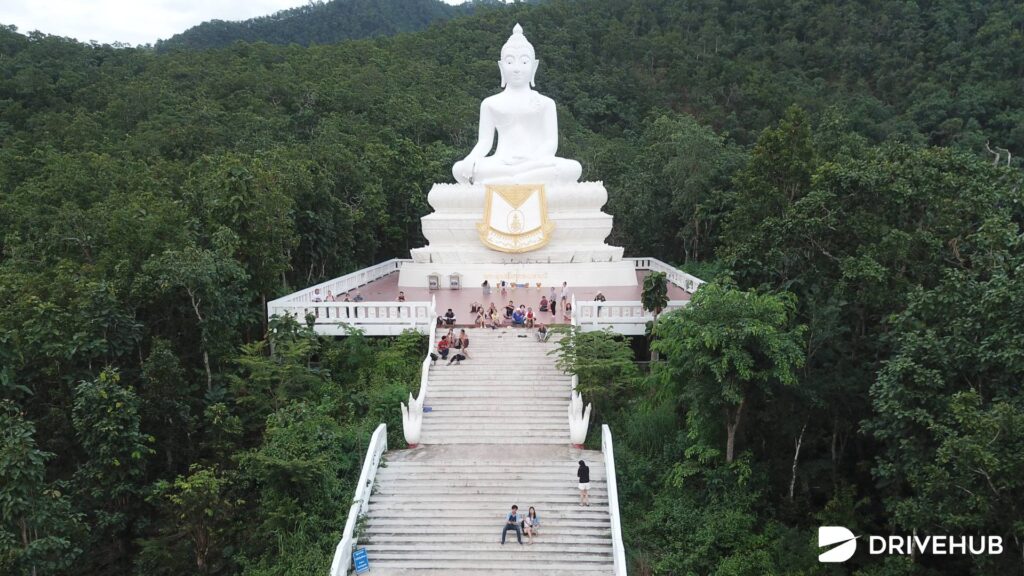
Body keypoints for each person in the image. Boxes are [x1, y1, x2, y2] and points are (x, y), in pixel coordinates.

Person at [452, 24, 582, 186]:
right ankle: (518, 179)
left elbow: (551, 143)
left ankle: (508, 181)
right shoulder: (490, 103)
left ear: (534, 66)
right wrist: (471, 159)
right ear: (501, 67)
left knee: (573, 168)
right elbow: (484, 143)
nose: (517, 69)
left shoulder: (546, 103)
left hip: (534, 162)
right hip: (500, 163)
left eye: (524, 62)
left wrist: (532, 158)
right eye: (510, 62)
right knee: (459, 169)